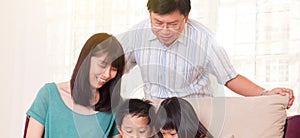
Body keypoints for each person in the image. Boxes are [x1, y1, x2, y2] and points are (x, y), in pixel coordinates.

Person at [0, 33, 125, 138]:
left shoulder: (114, 106)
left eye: (114, 68)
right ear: (86, 59)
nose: (107, 73)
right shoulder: (49, 93)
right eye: (102, 64)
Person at [117, 0, 294, 109]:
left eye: (172, 24)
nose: (164, 31)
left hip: (195, 117)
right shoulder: (137, 34)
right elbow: (114, 68)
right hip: (155, 117)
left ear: (185, 18)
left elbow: (230, 77)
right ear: (149, 15)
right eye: (157, 22)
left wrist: (265, 94)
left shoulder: (204, 40)